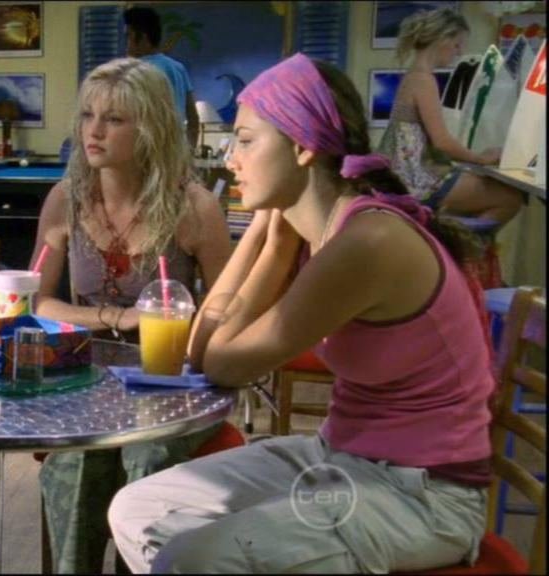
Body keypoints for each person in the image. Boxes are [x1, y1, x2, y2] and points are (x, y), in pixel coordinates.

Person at [108, 53, 495, 574]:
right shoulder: (325, 233)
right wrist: (268, 236)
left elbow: (224, 366)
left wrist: (272, 245)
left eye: (246, 140)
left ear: (302, 146)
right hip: (340, 458)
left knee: (191, 558)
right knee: (138, 509)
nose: (230, 159)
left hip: (422, 497)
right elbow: (200, 351)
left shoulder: (369, 241)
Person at [29, 57, 230, 574]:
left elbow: (225, 310)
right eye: (88, 115)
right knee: (75, 464)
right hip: (86, 378)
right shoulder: (64, 200)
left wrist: (179, 328)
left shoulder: (194, 208)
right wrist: (117, 318)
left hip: (172, 383)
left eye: (114, 119)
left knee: (145, 458)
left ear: (151, 129)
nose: (93, 131)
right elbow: (39, 303)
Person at [377, 8, 523, 225]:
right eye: (457, 45)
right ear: (441, 40)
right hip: (415, 180)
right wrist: (481, 158)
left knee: (476, 197)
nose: (459, 52)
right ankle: (464, 244)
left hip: (403, 174)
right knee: (510, 198)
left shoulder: (414, 77)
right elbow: (442, 142)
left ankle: (453, 238)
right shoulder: (424, 81)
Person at [124, 6, 200, 149]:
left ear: (143, 37)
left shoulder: (136, 71)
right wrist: (190, 151)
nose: (126, 43)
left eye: (128, 36)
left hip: (148, 152)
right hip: (175, 151)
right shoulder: (178, 68)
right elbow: (193, 118)